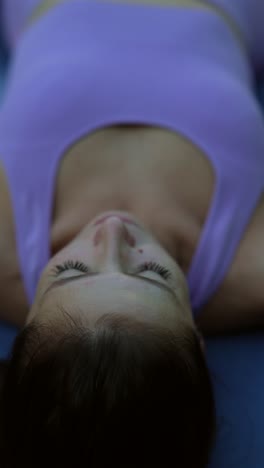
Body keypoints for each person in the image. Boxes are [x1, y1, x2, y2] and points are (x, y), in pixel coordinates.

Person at [0, 0, 263, 466]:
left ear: (30, 317)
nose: (114, 230)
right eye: (154, 274)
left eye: (73, 269)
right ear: (197, 341)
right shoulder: (247, 268)